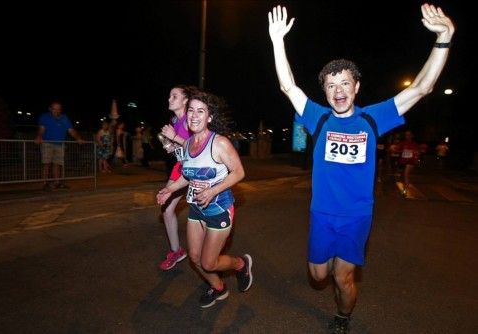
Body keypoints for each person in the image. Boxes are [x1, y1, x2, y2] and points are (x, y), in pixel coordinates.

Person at [268, 4, 454, 333]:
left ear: (356, 87)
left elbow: (421, 88)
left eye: (344, 84)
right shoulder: (318, 117)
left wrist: (444, 39)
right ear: (325, 92)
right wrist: (277, 41)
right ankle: (330, 281)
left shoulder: (372, 118)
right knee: (318, 276)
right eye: (331, 85)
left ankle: (343, 317)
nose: (338, 91)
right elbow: (288, 87)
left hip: (356, 215)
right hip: (322, 213)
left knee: (343, 277)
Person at [156, 90, 253, 308]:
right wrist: (169, 189)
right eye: (191, 110)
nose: (194, 115)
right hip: (197, 208)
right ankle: (218, 287)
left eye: (201, 111)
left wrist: (212, 190)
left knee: (209, 262)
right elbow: (186, 175)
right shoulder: (188, 144)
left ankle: (240, 264)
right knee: (195, 257)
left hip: (219, 208)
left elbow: (238, 172)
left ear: (209, 117)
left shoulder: (219, 143)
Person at [156, 84, 197, 270]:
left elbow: (198, 146)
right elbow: (183, 149)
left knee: (203, 214)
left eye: (174, 96)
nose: (169, 99)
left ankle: (210, 257)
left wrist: (175, 137)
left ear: (185, 100)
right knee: (166, 208)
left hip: (197, 169)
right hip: (180, 168)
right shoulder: (176, 121)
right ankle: (176, 251)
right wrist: (173, 147)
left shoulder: (191, 119)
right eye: (169, 96)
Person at [34, 100, 83, 191]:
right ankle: (44, 183)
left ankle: (57, 182)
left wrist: (78, 138)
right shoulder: (45, 117)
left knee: (57, 164)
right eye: (54, 109)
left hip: (60, 144)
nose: (56, 111)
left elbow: (71, 130)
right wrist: (39, 137)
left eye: (58, 109)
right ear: (50, 109)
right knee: (46, 163)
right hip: (47, 143)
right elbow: (41, 129)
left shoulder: (64, 118)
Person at [398, 130, 419, 196]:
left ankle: (405, 191)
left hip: (410, 162)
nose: (407, 136)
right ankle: (405, 188)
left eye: (409, 134)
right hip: (403, 162)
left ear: (412, 136)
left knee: (406, 174)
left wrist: (416, 155)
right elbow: (398, 150)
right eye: (406, 135)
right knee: (403, 177)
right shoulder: (403, 143)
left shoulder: (414, 144)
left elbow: (417, 152)